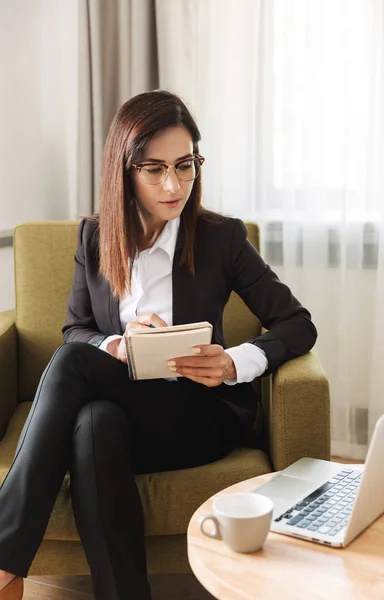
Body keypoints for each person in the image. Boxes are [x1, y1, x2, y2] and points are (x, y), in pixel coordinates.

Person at [0, 90, 317, 600]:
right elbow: (77, 330)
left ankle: (3, 558)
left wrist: (234, 362)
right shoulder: (95, 238)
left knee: (72, 367)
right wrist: (118, 346)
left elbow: (297, 323)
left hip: (199, 413)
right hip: (125, 411)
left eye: (185, 165)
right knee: (91, 423)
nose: (175, 185)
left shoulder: (222, 238)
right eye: (154, 169)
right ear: (124, 170)